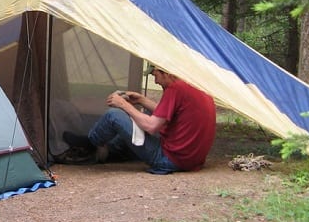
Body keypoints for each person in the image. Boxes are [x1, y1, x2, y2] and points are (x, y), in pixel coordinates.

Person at [79, 65, 217, 174]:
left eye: (155, 75)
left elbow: (152, 125)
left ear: (166, 73)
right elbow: (167, 114)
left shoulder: (175, 88)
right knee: (138, 120)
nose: (156, 81)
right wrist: (141, 99)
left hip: (170, 160)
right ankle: (110, 151)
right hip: (191, 160)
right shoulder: (194, 84)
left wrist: (123, 104)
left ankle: (87, 147)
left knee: (113, 115)